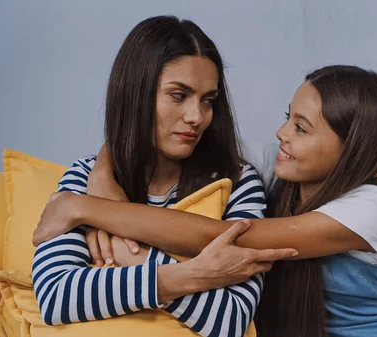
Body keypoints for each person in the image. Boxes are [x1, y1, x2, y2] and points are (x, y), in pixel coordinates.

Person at [34, 67, 377, 336]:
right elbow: (153, 136)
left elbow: (225, 237)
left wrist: (83, 208)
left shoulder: (371, 209)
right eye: (286, 118)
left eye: (301, 127)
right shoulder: (281, 168)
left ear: (351, 149)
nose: (282, 134)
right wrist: (102, 177)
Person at [31, 15, 297, 337]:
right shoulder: (86, 177)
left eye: (208, 101)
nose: (196, 117)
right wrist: (193, 275)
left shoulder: (237, 182)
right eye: (178, 95)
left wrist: (127, 255)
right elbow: (57, 296)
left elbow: (230, 319)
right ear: (135, 93)